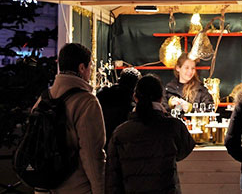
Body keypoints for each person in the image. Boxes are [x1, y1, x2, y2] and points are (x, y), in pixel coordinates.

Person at [106, 74, 195, 193]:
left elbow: (112, 178)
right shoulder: (173, 126)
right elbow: (185, 150)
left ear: (135, 97)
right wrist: (165, 115)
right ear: (160, 98)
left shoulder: (120, 133)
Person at [37, 43, 105, 193]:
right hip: (76, 187)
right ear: (82, 68)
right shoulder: (86, 102)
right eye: (90, 67)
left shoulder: (42, 99)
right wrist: (99, 189)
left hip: (44, 185)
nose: (90, 72)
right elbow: (91, 154)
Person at [97, 67, 142, 145]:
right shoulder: (131, 106)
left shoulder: (102, 94)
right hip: (120, 144)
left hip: (100, 139)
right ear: (135, 87)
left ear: (119, 79)